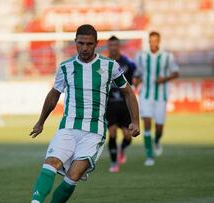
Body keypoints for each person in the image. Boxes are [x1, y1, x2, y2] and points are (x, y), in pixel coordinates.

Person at [29, 24, 140, 203]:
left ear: (96, 44)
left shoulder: (110, 66)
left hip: (93, 132)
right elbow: (54, 94)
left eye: (89, 44)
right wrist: (41, 121)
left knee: (74, 174)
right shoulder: (66, 67)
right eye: (81, 43)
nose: (84, 48)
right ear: (75, 42)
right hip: (68, 127)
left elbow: (128, 92)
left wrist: (135, 121)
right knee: (51, 163)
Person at [134, 31, 179, 166]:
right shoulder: (141, 56)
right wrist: (136, 81)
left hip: (161, 96)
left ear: (159, 41)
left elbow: (176, 73)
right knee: (147, 123)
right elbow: (138, 73)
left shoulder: (167, 57)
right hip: (145, 95)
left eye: (155, 41)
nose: (153, 43)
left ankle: (157, 140)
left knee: (159, 128)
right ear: (148, 41)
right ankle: (149, 155)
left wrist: (164, 79)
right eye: (151, 41)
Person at [106, 36, 137, 173]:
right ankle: (114, 162)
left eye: (115, 45)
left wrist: (136, 85)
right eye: (110, 45)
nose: (113, 48)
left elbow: (138, 75)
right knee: (112, 132)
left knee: (127, 136)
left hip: (125, 105)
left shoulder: (128, 63)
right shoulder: (103, 63)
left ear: (119, 46)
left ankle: (122, 149)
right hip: (110, 104)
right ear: (108, 47)